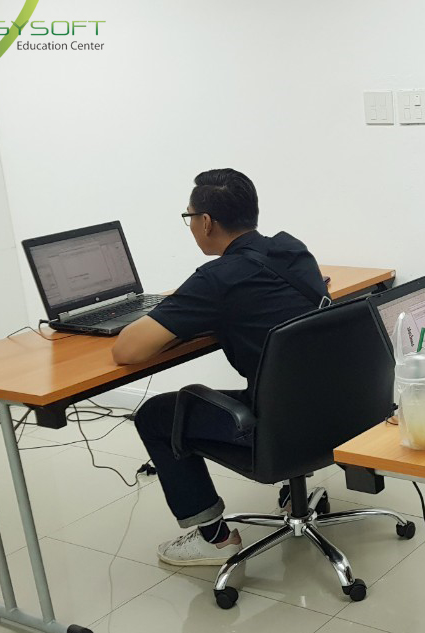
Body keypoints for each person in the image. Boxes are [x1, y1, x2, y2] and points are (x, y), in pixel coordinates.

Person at [111, 168, 328, 566]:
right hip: (338, 412)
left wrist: (178, 318)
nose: (192, 225)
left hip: (281, 428)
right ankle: (293, 492)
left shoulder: (217, 279)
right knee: (283, 385)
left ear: (206, 222)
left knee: (156, 415)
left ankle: (214, 539)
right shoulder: (291, 249)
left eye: (190, 216)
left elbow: (127, 350)